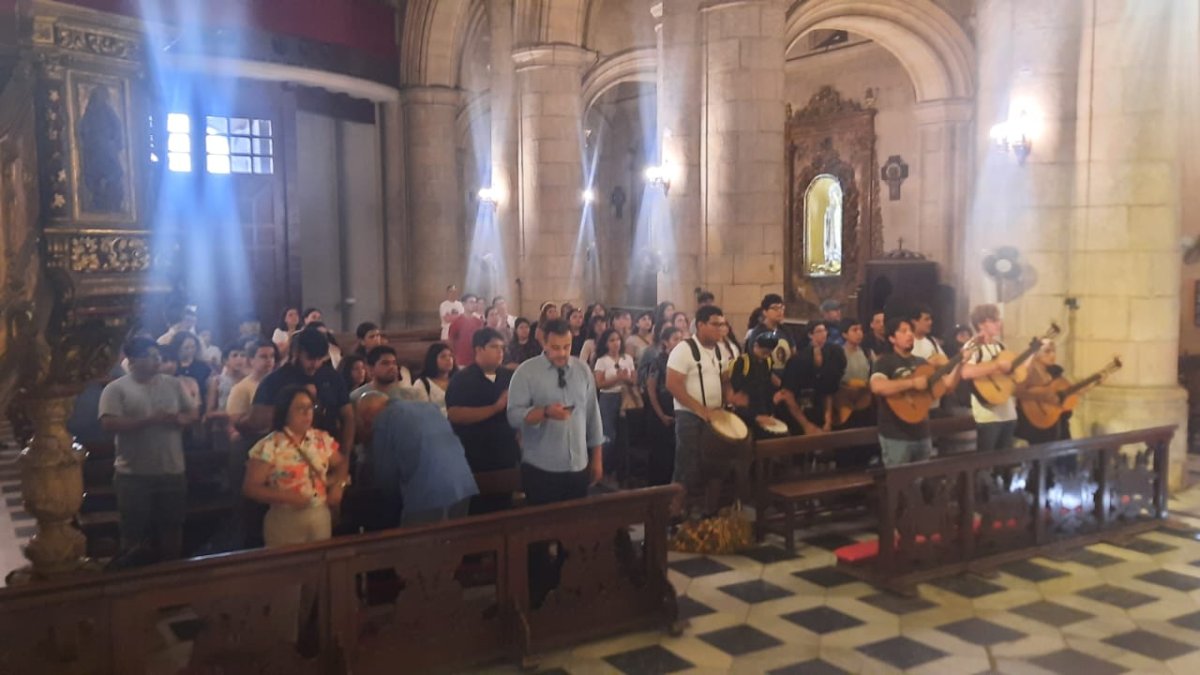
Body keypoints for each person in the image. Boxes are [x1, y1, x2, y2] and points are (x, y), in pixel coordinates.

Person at [99, 336, 198, 564]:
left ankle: (171, 572)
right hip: (133, 474)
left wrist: (179, 419)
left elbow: (192, 413)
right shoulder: (116, 389)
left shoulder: (172, 384)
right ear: (133, 361)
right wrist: (148, 420)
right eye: (151, 356)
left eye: (158, 356)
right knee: (132, 529)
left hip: (172, 470)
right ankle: (132, 575)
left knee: (172, 526)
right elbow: (108, 424)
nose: (158, 361)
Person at [507, 318, 605, 505]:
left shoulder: (582, 370)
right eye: (555, 347)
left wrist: (597, 458)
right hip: (541, 467)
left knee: (575, 525)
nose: (562, 353)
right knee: (544, 528)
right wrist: (544, 412)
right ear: (544, 343)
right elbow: (513, 416)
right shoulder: (526, 372)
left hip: (578, 464)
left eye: (566, 347)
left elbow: (593, 415)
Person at [243, 385, 348, 546]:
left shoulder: (321, 439)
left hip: (319, 513)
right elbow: (251, 488)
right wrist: (287, 497)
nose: (307, 413)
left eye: (310, 407)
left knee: (320, 566)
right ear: (285, 413)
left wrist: (338, 486)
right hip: (285, 518)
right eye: (300, 408)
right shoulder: (270, 445)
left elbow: (341, 463)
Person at [357, 390, 478, 526]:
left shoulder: (384, 418)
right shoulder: (427, 407)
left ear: (367, 414)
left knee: (417, 545)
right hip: (462, 485)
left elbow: (386, 475)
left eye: (364, 421)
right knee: (454, 543)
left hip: (427, 492)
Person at [246, 327, 355, 457]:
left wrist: (345, 454)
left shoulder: (332, 377)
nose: (315, 364)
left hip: (328, 448)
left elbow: (348, 417)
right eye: (310, 358)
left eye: (319, 359)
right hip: (286, 451)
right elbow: (256, 421)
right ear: (297, 352)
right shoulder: (275, 380)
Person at [869, 317, 964, 466]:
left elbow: (947, 386)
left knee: (921, 481)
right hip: (896, 435)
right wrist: (912, 383)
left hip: (922, 432)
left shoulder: (921, 362)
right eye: (903, 331)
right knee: (899, 482)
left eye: (911, 331)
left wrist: (960, 364)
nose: (909, 335)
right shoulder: (884, 362)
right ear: (892, 338)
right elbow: (877, 386)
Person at [446, 328, 521, 513]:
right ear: (478, 350)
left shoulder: (509, 377)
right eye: (494, 347)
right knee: (478, 510)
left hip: (506, 454)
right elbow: (455, 414)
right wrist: (495, 408)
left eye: (502, 347)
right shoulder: (462, 379)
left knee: (504, 507)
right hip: (475, 457)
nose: (500, 352)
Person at [665, 305, 727, 511]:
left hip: (715, 417)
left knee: (714, 466)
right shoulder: (684, 350)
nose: (721, 329)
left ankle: (709, 515)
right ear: (700, 325)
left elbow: (724, 380)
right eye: (715, 324)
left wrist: (730, 398)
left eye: (722, 324)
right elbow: (672, 384)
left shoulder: (720, 350)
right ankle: (673, 515)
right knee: (686, 467)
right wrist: (700, 409)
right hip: (689, 417)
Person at [961, 303, 1018, 452]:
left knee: (1005, 463)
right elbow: (966, 372)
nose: (999, 324)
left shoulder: (1001, 347)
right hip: (988, 415)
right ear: (980, 324)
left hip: (1008, 412)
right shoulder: (972, 346)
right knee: (985, 463)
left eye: (998, 320)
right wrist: (996, 366)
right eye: (993, 320)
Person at [782, 321, 845, 433]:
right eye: (819, 331)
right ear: (810, 335)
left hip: (819, 407)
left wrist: (828, 421)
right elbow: (788, 394)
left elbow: (828, 391)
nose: (824, 334)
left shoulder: (833, 354)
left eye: (825, 330)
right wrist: (806, 425)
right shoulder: (799, 360)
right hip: (800, 409)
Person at [593, 328, 636, 482]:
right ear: (605, 343)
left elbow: (634, 380)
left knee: (623, 436)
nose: (615, 343)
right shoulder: (602, 361)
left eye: (617, 339)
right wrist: (618, 378)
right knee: (608, 435)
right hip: (608, 398)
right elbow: (599, 383)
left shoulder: (628, 358)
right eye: (611, 340)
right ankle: (602, 469)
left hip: (624, 397)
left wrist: (626, 379)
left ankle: (622, 472)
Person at [725, 331, 786, 438]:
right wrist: (755, 417)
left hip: (762, 410)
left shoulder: (767, 362)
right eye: (764, 351)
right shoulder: (742, 363)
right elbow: (737, 398)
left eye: (769, 352)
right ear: (756, 345)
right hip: (746, 414)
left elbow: (766, 389)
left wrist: (770, 408)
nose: (766, 355)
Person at [643, 326, 683, 486]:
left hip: (677, 411)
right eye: (675, 339)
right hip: (660, 413)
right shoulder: (658, 362)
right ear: (665, 342)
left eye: (681, 338)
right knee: (661, 455)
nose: (679, 342)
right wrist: (661, 415)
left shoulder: (682, 361)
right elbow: (651, 390)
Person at [1015, 340, 1073, 445]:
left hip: (1059, 425)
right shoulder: (1028, 373)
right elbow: (1019, 391)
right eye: (1047, 351)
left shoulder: (1055, 372)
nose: (1052, 355)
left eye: (1054, 351)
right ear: (1036, 354)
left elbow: (1065, 395)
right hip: (1036, 426)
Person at [227, 339, 278, 436]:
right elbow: (236, 421)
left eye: (272, 356)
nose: (269, 360)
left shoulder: (279, 383)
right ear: (251, 360)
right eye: (263, 356)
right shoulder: (240, 388)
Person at [746, 294, 795, 374]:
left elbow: (793, 353)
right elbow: (757, 360)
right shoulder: (758, 333)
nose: (780, 311)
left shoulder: (785, 330)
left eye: (781, 308)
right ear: (765, 312)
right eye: (775, 308)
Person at [171, 331, 212, 412]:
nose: (190, 350)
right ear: (178, 348)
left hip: (200, 407)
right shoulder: (172, 366)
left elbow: (209, 390)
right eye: (186, 348)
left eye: (193, 347)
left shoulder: (203, 366)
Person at [414, 342, 457, 416]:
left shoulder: (458, 381)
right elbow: (422, 411)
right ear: (433, 360)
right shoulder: (422, 383)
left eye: (450, 356)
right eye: (443, 356)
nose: (448, 359)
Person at [206, 341, 247, 417]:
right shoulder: (217, 381)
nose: (239, 359)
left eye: (243, 355)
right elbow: (210, 411)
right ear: (225, 360)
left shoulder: (249, 380)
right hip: (224, 421)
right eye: (235, 355)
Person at [448, 294, 484, 367]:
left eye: (475, 302)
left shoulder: (479, 322)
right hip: (461, 361)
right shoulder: (456, 322)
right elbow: (451, 341)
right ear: (463, 304)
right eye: (471, 302)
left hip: (477, 360)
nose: (474, 304)